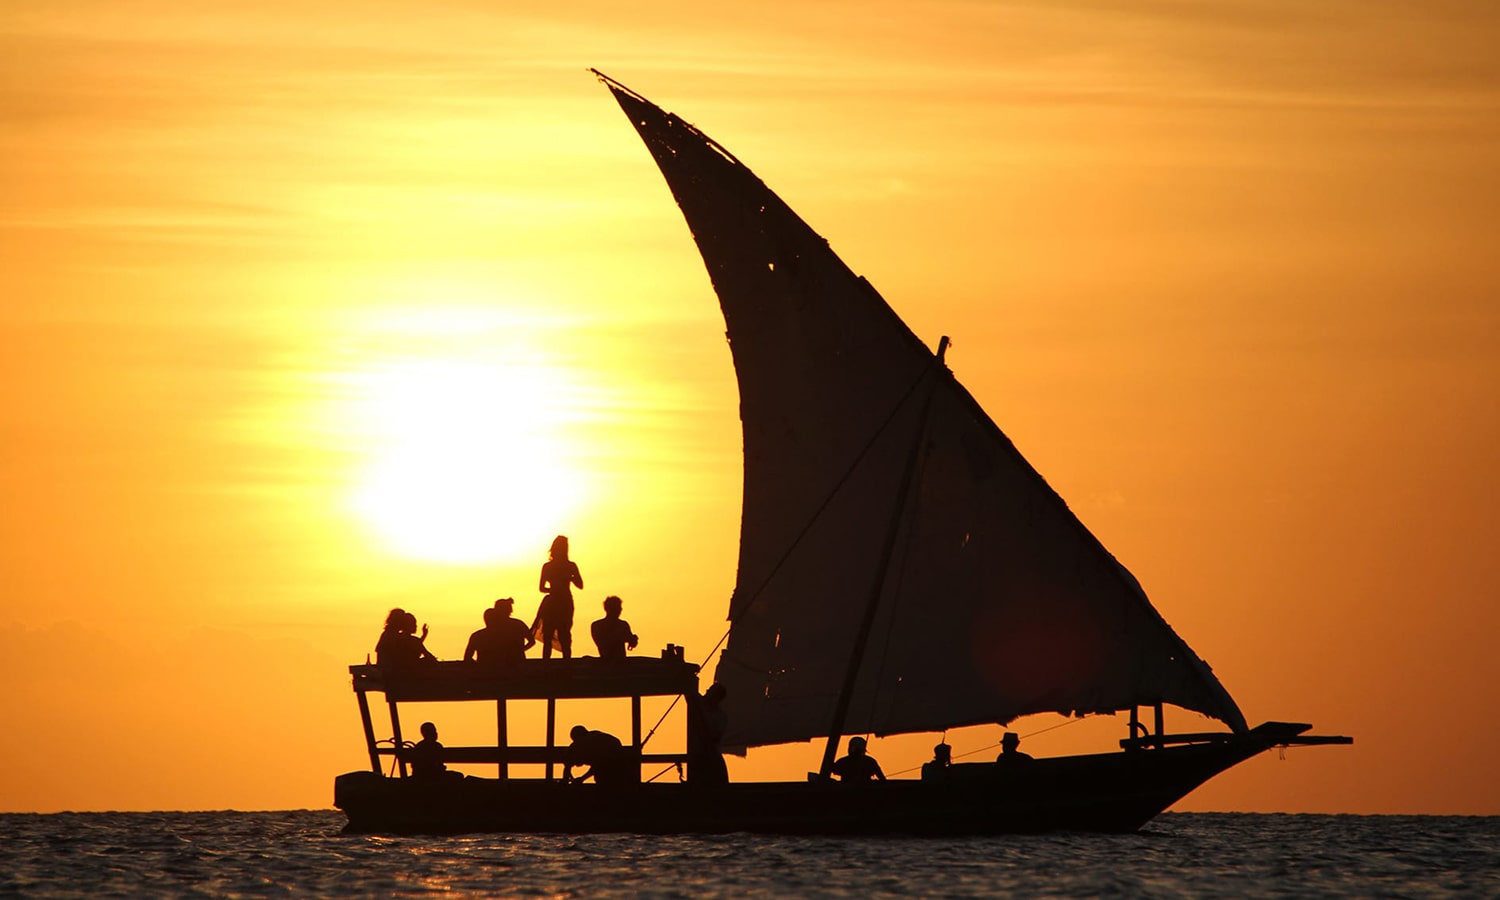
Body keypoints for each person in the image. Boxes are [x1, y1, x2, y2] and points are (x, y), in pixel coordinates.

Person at [533, 535, 583, 659]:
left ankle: (566, 661)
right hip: (554, 602)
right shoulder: (548, 566)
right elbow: (542, 588)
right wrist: (555, 588)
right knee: (549, 633)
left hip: (564, 602)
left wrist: (569, 578)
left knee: (564, 632)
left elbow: (580, 584)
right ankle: (547, 662)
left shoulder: (570, 566)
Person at [464, 599, 534, 668]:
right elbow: (531, 641)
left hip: (491, 671)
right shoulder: (518, 624)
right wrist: (519, 651)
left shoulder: (478, 636)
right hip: (516, 667)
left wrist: (479, 667)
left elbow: (467, 658)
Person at [686, 683, 729, 785]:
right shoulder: (700, 705)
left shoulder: (719, 717)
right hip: (700, 756)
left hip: (710, 757)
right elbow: (690, 693)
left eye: (710, 691)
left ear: (716, 697)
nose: (707, 692)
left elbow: (713, 737)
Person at [564, 725, 630, 786]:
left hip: (611, 771)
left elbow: (598, 765)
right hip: (622, 771)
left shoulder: (584, 743)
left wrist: (580, 779)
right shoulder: (595, 737)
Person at [590, 595, 638, 661]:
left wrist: (633, 640)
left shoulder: (623, 625)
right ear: (607, 609)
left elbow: (631, 642)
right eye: (616, 608)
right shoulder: (597, 626)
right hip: (606, 661)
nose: (619, 610)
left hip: (621, 661)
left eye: (619, 608)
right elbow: (603, 644)